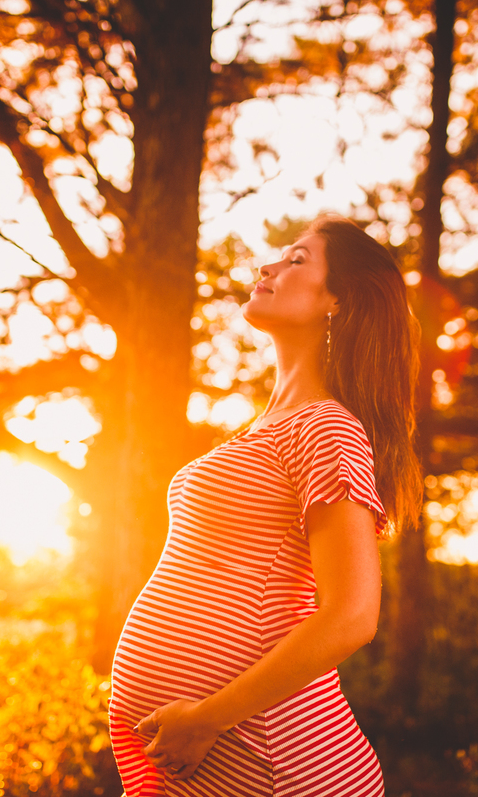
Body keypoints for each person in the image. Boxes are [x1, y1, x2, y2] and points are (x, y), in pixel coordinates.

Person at [107, 215, 422, 796]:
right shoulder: (266, 429)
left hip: (274, 759)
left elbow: (353, 614)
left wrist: (208, 718)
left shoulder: (327, 427)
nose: (268, 266)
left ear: (337, 300)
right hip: (208, 755)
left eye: (298, 260)